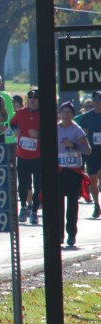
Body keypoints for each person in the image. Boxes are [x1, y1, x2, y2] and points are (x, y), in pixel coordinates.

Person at [58, 101, 91, 247]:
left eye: (68, 112)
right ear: (59, 113)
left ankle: (71, 234)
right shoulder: (55, 129)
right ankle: (58, 235)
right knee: (57, 205)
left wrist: (74, 145)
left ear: (72, 114)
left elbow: (87, 150)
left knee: (72, 204)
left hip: (74, 171)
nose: (65, 115)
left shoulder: (76, 130)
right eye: (63, 112)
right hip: (59, 170)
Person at [11, 89, 42, 225]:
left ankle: (34, 211)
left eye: (35, 99)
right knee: (23, 184)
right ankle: (24, 207)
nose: (33, 101)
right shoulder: (21, 112)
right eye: (30, 99)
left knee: (38, 185)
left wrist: (39, 134)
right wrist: (15, 130)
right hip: (22, 155)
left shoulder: (45, 114)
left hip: (38, 156)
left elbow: (54, 132)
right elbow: (12, 123)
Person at [75, 90, 101, 219]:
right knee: (93, 179)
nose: (97, 103)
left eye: (99, 100)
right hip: (92, 152)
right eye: (95, 100)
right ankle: (97, 205)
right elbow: (83, 135)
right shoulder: (86, 117)